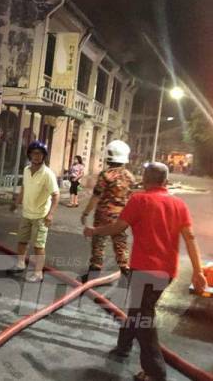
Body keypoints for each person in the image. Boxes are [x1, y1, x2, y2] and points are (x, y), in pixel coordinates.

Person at [83, 162, 207, 381]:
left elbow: (118, 227)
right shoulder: (179, 205)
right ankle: (123, 346)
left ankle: (155, 372)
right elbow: (190, 238)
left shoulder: (140, 200)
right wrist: (198, 272)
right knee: (138, 309)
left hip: (144, 269)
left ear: (145, 179)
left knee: (144, 318)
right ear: (165, 181)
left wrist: (94, 231)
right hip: (167, 271)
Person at [80, 140, 135, 282]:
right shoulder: (130, 176)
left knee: (98, 241)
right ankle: (126, 271)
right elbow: (130, 197)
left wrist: (85, 213)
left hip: (103, 215)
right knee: (120, 243)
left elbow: (96, 196)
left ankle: (94, 272)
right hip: (121, 217)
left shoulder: (105, 175)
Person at [10, 140, 60, 283]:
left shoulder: (48, 174)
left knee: (38, 245)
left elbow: (56, 195)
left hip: (41, 216)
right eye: (34, 153)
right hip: (26, 213)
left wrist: (50, 214)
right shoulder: (26, 170)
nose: (36, 156)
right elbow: (24, 188)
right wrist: (16, 203)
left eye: (39, 154)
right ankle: (20, 263)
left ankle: (38, 273)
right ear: (29, 155)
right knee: (22, 240)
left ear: (44, 156)